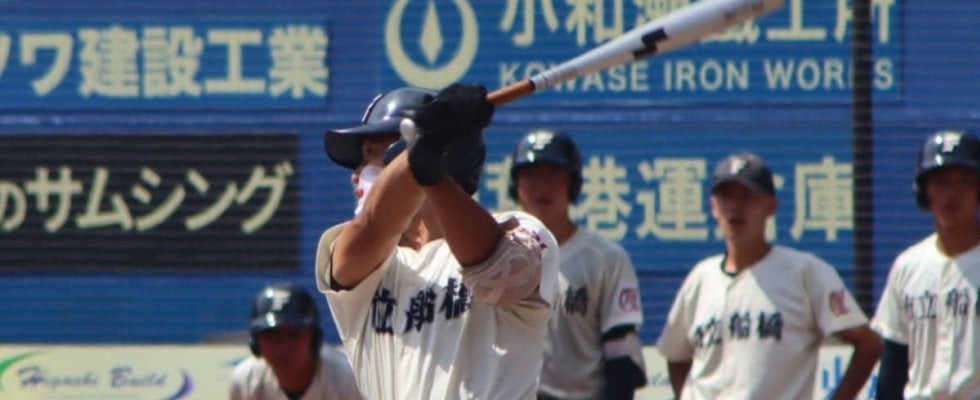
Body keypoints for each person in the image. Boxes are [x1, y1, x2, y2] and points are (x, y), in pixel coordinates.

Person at [315, 84, 560, 400]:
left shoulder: (520, 229)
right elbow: (372, 225)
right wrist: (422, 150)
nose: (356, 174)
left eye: (370, 155)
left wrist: (427, 162)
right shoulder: (362, 254)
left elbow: (497, 275)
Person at [656, 152, 881, 400]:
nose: (735, 207)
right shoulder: (700, 279)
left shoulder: (805, 272)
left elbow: (868, 344)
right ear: (713, 207)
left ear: (771, 206)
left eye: (747, 196)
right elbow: (677, 356)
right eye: (726, 196)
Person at [507, 129, 647, 400]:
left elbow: (622, 359)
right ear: (516, 183)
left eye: (553, 175)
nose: (542, 187)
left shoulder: (606, 258)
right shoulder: (495, 257)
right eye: (531, 174)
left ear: (573, 183)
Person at [872, 129, 980, 400]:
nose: (951, 193)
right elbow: (893, 367)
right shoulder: (908, 266)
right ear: (923, 190)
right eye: (940, 181)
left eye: (964, 181)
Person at [229, 283, 363, 400]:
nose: (283, 346)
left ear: (313, 338)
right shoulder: (246, 381)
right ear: (256, 342)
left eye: (294, 334)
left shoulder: (348, 379)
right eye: (272, 336)